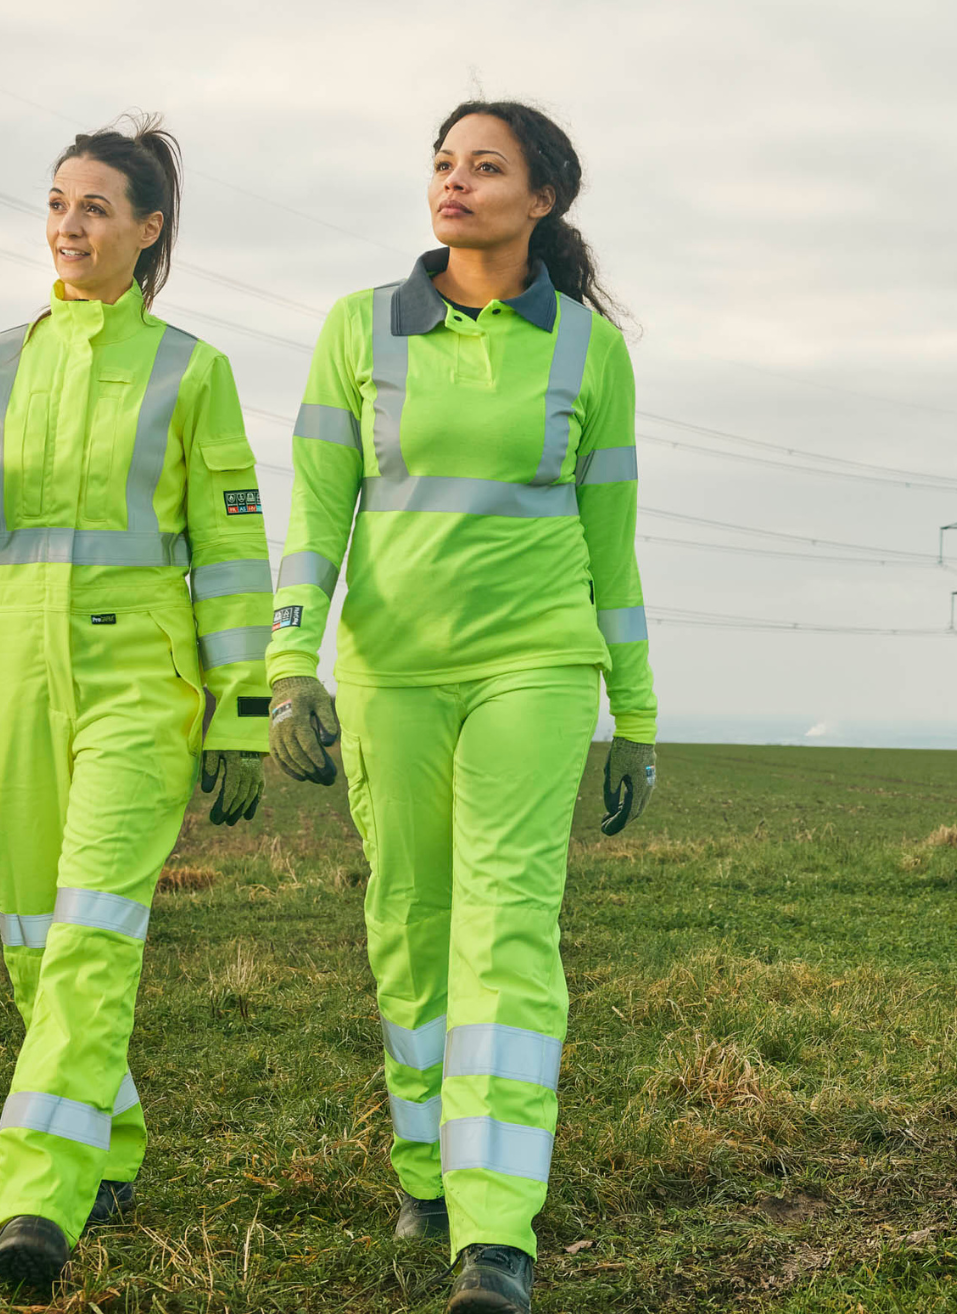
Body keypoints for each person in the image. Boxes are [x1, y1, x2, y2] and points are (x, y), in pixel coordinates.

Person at [0, 115, 275, 1287]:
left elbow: (233, 554)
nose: (69, 224)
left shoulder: (194, 370)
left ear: (148, 232)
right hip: (9, 678)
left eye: (96, 207)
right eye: (56, 202)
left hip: (139, 681)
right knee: (35, 941)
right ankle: (110, 1137)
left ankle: (35, 1196)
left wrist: (239, 713)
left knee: (91, 936)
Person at [267, 99, 657, 1314]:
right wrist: (290, 661)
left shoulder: (589, 352)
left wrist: (631, 712)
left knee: (508, 927)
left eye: (486, 167)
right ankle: (424, 1165)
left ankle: (495, 1229)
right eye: (443, 164)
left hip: (534, 665)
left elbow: (613, 544)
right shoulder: (358, 327)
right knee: (412, 916)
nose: (456, 183)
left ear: (542, 198)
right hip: (390, 670)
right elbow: (317, 510)